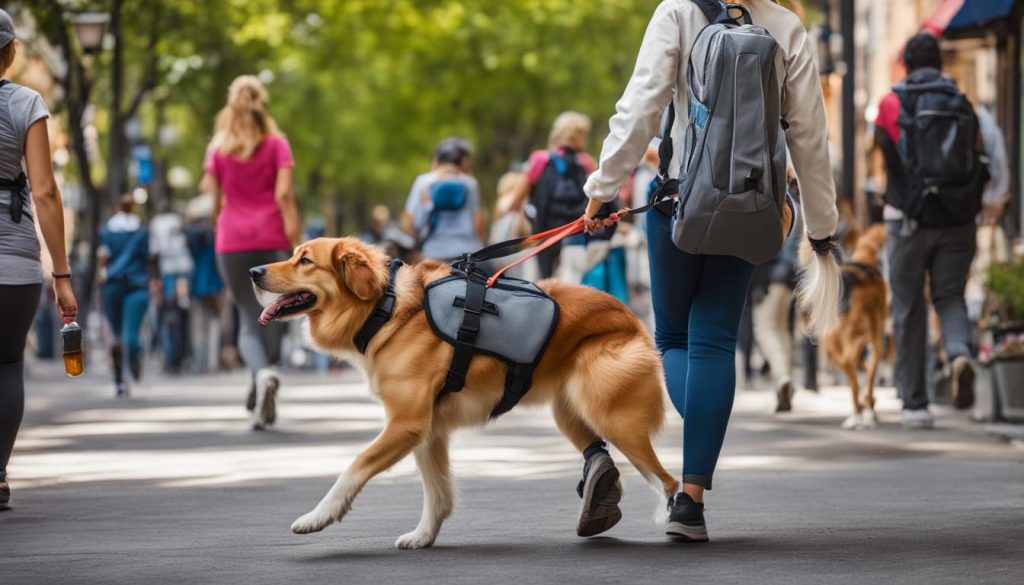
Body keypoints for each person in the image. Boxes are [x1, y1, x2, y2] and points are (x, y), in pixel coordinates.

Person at [581, 0, 839, 540]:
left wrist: (603, 189)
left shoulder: (676, 12)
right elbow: (809, 135)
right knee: (716, 341)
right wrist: (821, 227)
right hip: (756, 207)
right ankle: (690, 504)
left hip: (680, 203)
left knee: (673, 335)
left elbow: (641, 106)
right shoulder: (787, 26)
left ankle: (693, 457)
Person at [873, 33, 985, 428]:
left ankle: (916, 406)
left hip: (907, 221)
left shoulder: (890, 103)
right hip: (958, 221)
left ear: (905, 64)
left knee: (908, 308)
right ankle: (958, 352)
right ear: (940, 64)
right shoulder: (964, 103)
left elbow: (885, 161)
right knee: (950, 296)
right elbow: (992, 160)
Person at [0, 8, 78, 509]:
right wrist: (63, 275)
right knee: (7, 364)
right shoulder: (25, 103)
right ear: (10, 52)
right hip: (13, 261)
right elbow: (46, 192)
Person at [202, 75, 301, 430]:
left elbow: (213, 200)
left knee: (247, 315)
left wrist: (220, 228)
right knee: (276, 311)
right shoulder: (277, 145)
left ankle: (259, 377)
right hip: (272, 236)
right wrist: (296, 240)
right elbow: (284, 196)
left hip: (232, 240)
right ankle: (265, 374)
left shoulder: (219, 148)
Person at [509, 112, 616, 282]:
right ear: (580, 136)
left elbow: (514, 202)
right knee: (570, 286)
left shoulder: (539, 160)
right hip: (575, 232)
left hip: (543, 235)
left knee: (540, 285)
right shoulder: (586, 162)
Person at [98, 195, 153, 397]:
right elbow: (149, 257)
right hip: (138, 286)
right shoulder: (142, 231)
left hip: (112, 285)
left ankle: (120, 379)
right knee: (131, 333)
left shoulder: (105, 231)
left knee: (117, 335)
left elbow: (102, 258)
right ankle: (134, 358)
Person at [402, 138, 485, 262]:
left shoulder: (423, 182)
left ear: (437, 159)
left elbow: (408, 223)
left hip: (433, 255)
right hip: (467, 254)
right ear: (463, 161)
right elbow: (478, 222)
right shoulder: (470, 183)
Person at [149, 201, 194, 372]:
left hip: (167, 272)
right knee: (183, 310)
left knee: (166, 312)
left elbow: (154, 253)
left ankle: (169, 357)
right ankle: (183, 354)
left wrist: (154, 280)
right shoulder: (178, 221)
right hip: (184, 271)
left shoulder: (155, 224)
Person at [488, 171, 540, 281]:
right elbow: (525, 230)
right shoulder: (519, 204)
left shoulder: (500, 203)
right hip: (513, 256)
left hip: (497, 254)